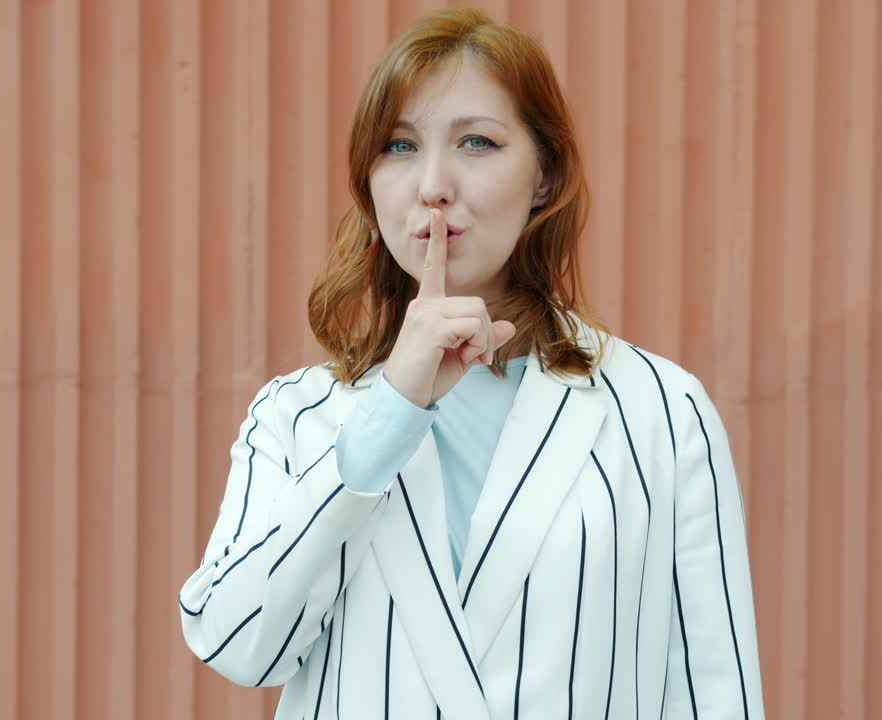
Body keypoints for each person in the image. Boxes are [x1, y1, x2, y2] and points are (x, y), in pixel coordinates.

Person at [179, 8, 763, 719]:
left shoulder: (660, 413)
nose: (433, 185)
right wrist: (388, 411)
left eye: (477, 142)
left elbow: (715, 692)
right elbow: (236, 642)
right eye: (399, 146)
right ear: (369, 184)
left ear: (543, 175)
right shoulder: (295, 417)